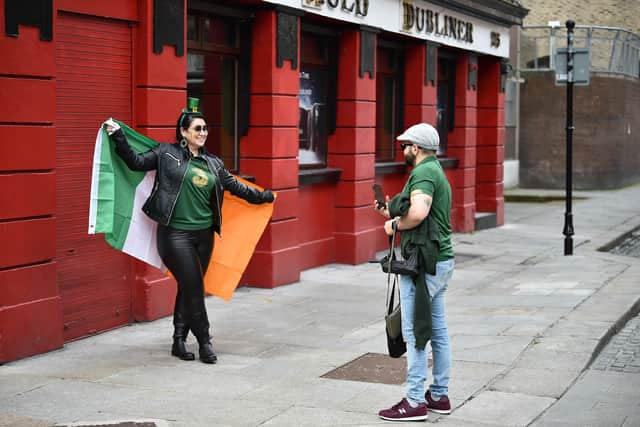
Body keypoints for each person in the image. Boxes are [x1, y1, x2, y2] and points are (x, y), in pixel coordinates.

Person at [103, 100, 275, 364]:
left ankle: (178, 340)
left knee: (189, 287)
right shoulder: (165, 154)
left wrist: (263, 196)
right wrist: (118, 136)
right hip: (174, 235)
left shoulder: (214, 164)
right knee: (195, 287)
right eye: (197, 129)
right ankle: (205, 342)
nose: (203, 133)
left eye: (205, 129)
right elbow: (135, 162)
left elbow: (237, 188)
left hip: (204, 236)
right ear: (183, 132)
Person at [375, 123, 455, 421]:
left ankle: (414, 402)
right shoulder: (436, 171)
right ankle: (438, 395)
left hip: (423, 265)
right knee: (437, 330)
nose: (403, 151)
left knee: (415, 332)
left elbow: (419, 213)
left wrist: (392, 225)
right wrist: (389, 211)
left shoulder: (423, 172)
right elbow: (422, 211)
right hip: (441, 261)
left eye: (405, 146)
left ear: (416, 148)